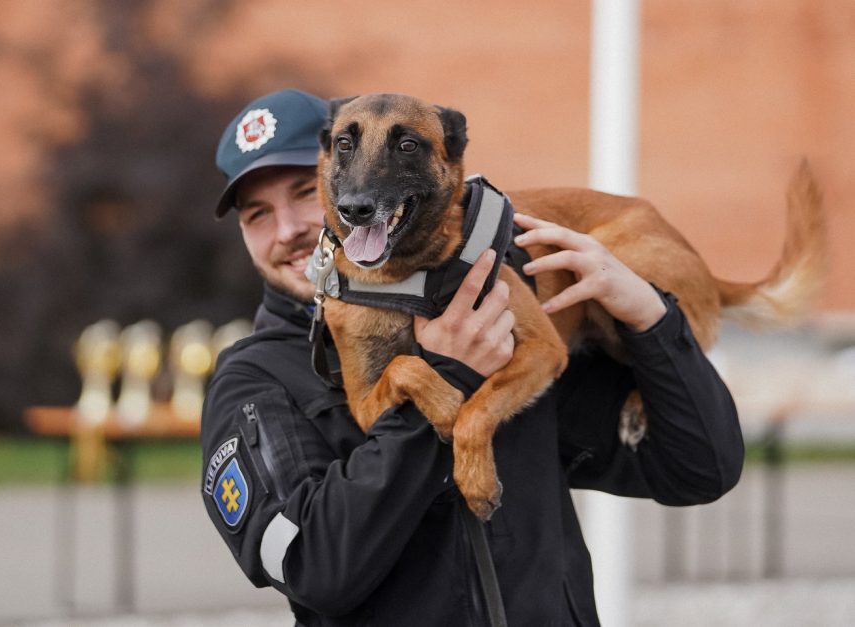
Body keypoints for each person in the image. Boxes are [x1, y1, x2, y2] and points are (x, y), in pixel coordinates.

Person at [200, 88, 744, 626]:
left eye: (300, 193)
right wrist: (446, 377)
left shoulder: (497, 316)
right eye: (257, 215)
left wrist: (652, 323)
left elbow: (700, 470)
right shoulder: (252, 382)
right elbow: (316, 571)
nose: (289, 230)